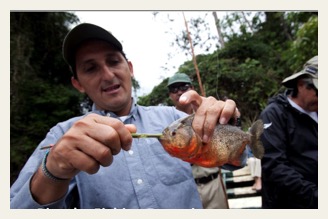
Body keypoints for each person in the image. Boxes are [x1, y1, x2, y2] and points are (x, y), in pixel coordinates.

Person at [10, 23, 246, 209]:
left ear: (130, 68)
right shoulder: (62, 136)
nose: (107, 74)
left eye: (113, 61)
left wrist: (227, 126)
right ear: (77, 83)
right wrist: (52, 171)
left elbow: (238, 160)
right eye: (90, 68)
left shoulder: (172, 118)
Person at [259, 55, 318, 209]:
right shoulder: (274, 114)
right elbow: (274, 166)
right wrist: (315, 196)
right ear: (301, 85)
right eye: (318, 91)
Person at [167, 73, 229, 209]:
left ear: (193, 88)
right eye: (174, 89)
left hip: (213, 184)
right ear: (170, 95)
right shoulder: (167, 125)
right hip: (183, 189)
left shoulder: (210, 112)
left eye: (183, 87)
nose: (179, 92)